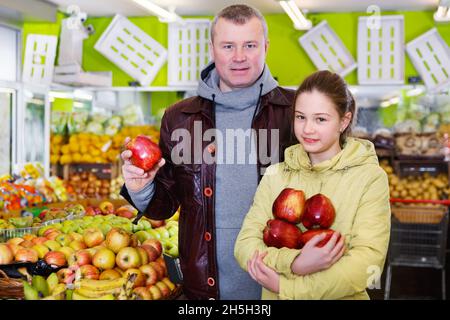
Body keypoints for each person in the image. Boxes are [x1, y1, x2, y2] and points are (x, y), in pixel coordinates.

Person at [120, 4, 296, 300]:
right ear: (213, 49)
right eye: (228, 45)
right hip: (205, 288)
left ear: (265, 47)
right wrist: (140, 187)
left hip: (285, 284)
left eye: (249, 45)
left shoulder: (295, 112)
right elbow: (164, 205)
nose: (239, 56)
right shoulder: (180, 118)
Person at [234, 70, 391, 300]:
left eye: (320, 119)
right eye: (300, 117)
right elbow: (244, 246)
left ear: (344, 120)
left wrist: (286, 287)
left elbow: (367, 266)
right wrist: (296, 264)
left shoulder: (370, 178)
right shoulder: (276, 174)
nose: (307, 129)